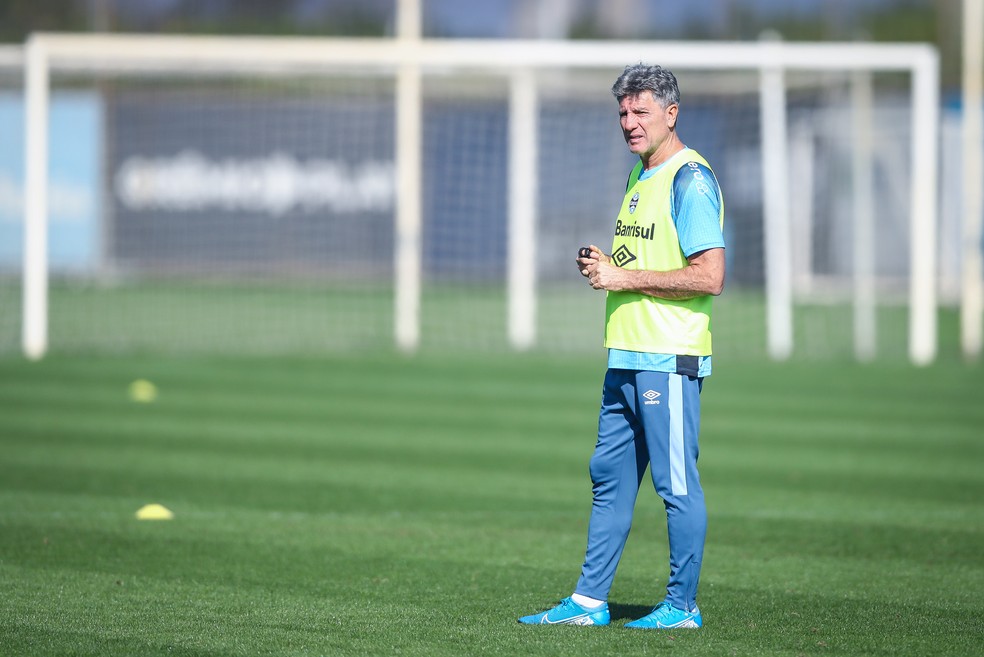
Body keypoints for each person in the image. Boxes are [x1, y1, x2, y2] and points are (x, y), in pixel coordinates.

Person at [518, 63, 726, 630]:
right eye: (623, 113)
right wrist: (606, 267)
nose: (630, 123)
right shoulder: (640, 174)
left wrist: (622, 277)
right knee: (608, 480)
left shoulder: (690, 178)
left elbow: (709, 276)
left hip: (667, 357)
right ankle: (589, 602)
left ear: (671, 113)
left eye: (641, 112)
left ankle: (682, 607)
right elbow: (648, 261)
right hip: (626, 355)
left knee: (675, 486)